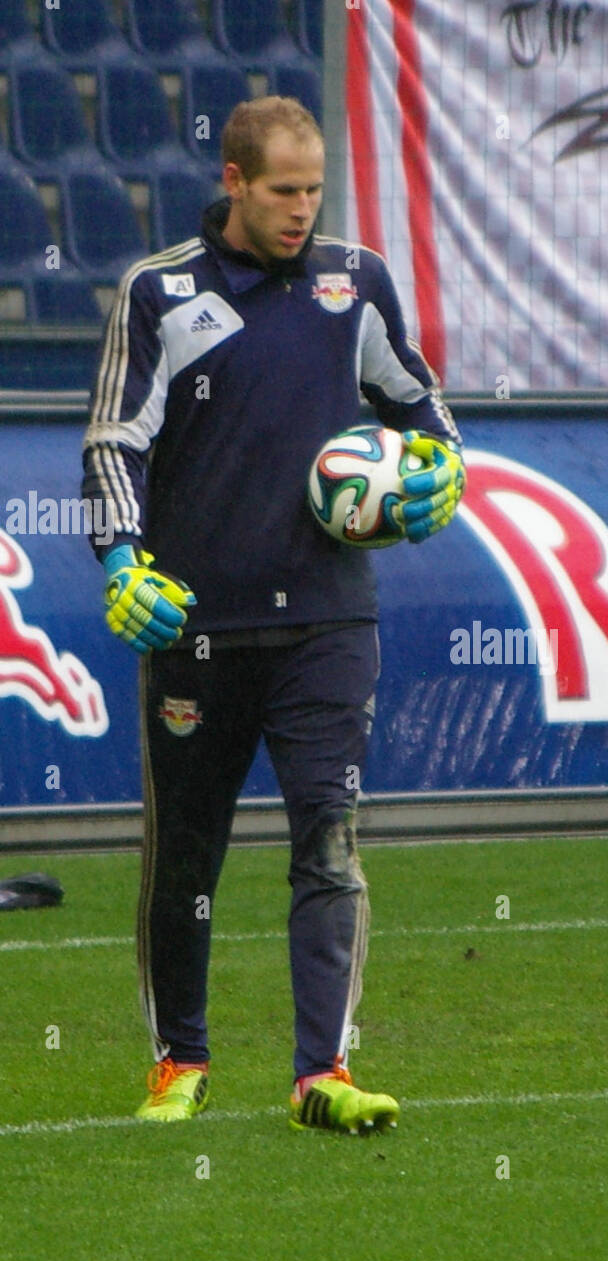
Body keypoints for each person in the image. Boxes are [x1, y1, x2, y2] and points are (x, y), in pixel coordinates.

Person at [81, 96, 464, 1134]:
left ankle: (322, 1072)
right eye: (285, 191)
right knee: (185, 854)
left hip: (332, 622)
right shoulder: (160, 292)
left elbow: (420, 407)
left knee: (329, 840)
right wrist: (123, 558)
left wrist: (442, 471)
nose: (304, 212)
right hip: (195, 625)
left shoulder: (357, 282)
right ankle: (179, 1062)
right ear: (234, 183)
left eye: (316, 191)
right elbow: (114, 441)